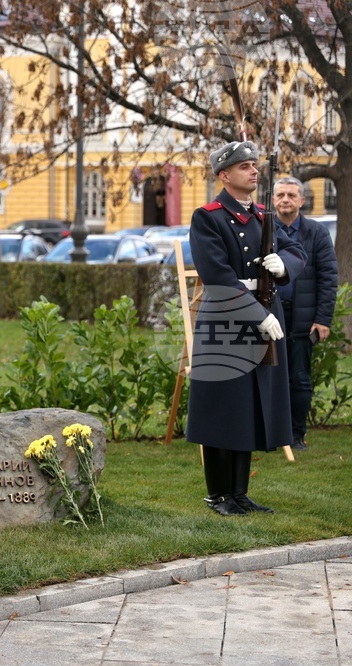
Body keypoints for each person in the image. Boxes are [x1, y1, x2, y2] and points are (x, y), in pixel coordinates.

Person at [186, 140, 305, 517]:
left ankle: (239, 494)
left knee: (249, 407)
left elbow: (297, 252)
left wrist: (283, 264)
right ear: (224, 175)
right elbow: (217, 275)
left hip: (264, 316)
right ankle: (218, 495)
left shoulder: (261, 216)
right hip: (229, 318)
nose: (254, 171)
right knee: (223, 407)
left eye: (254, 165)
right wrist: (257, 315)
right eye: (244, 167)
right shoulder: (208, 216)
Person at [272, 176, 338, 450]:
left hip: (303, 320)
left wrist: (322, 319)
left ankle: (296, 435)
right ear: (273, 200)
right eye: (280, 195)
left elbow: (328, 277)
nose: (285, 200)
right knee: (269, 377)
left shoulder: (317, 233)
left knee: (299, 379)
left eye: (291, 195)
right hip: (270, 318)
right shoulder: (264, 231)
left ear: (301, 200)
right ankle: (271, 435)